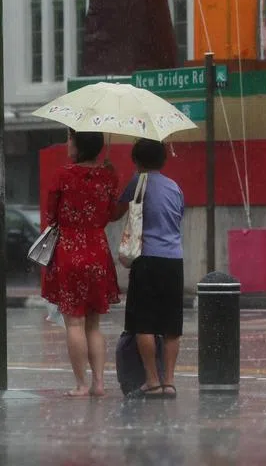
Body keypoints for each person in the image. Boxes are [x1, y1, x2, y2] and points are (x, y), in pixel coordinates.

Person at [41, 131, 121, 397]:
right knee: (94, 325)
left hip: (69, 252)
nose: (68, 144)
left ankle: (81, 385)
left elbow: (51, 215)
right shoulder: (108, 176)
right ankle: (99, 383)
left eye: (71, 140)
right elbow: (111, 214)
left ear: (79, 146)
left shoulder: (63, 175)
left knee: (74, 324)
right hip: (97, 251)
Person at [115, 139, 185, 399]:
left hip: (146, 259)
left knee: (144, 323)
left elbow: (115, 213)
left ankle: (152, 381)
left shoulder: (137, 183)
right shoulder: (175, 187)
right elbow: (178, 216)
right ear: (163, 160)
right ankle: (169, 382)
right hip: (174, 260)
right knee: (170, 326)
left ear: (137, 160)